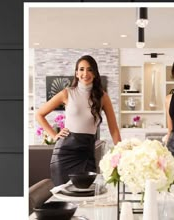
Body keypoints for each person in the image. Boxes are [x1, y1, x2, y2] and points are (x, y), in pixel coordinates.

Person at [36, 55, 121, 186]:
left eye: (89, 69)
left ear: (95, 73)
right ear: (76, 73)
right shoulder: (67, 93)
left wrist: (121, 152)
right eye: (81, 69)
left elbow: (114, 129)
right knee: (63, 199)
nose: (85, 73)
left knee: (86, 199)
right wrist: (54, 136)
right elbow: (39, 114)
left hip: (87, 154)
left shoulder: (103, 97)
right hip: (64, 155)